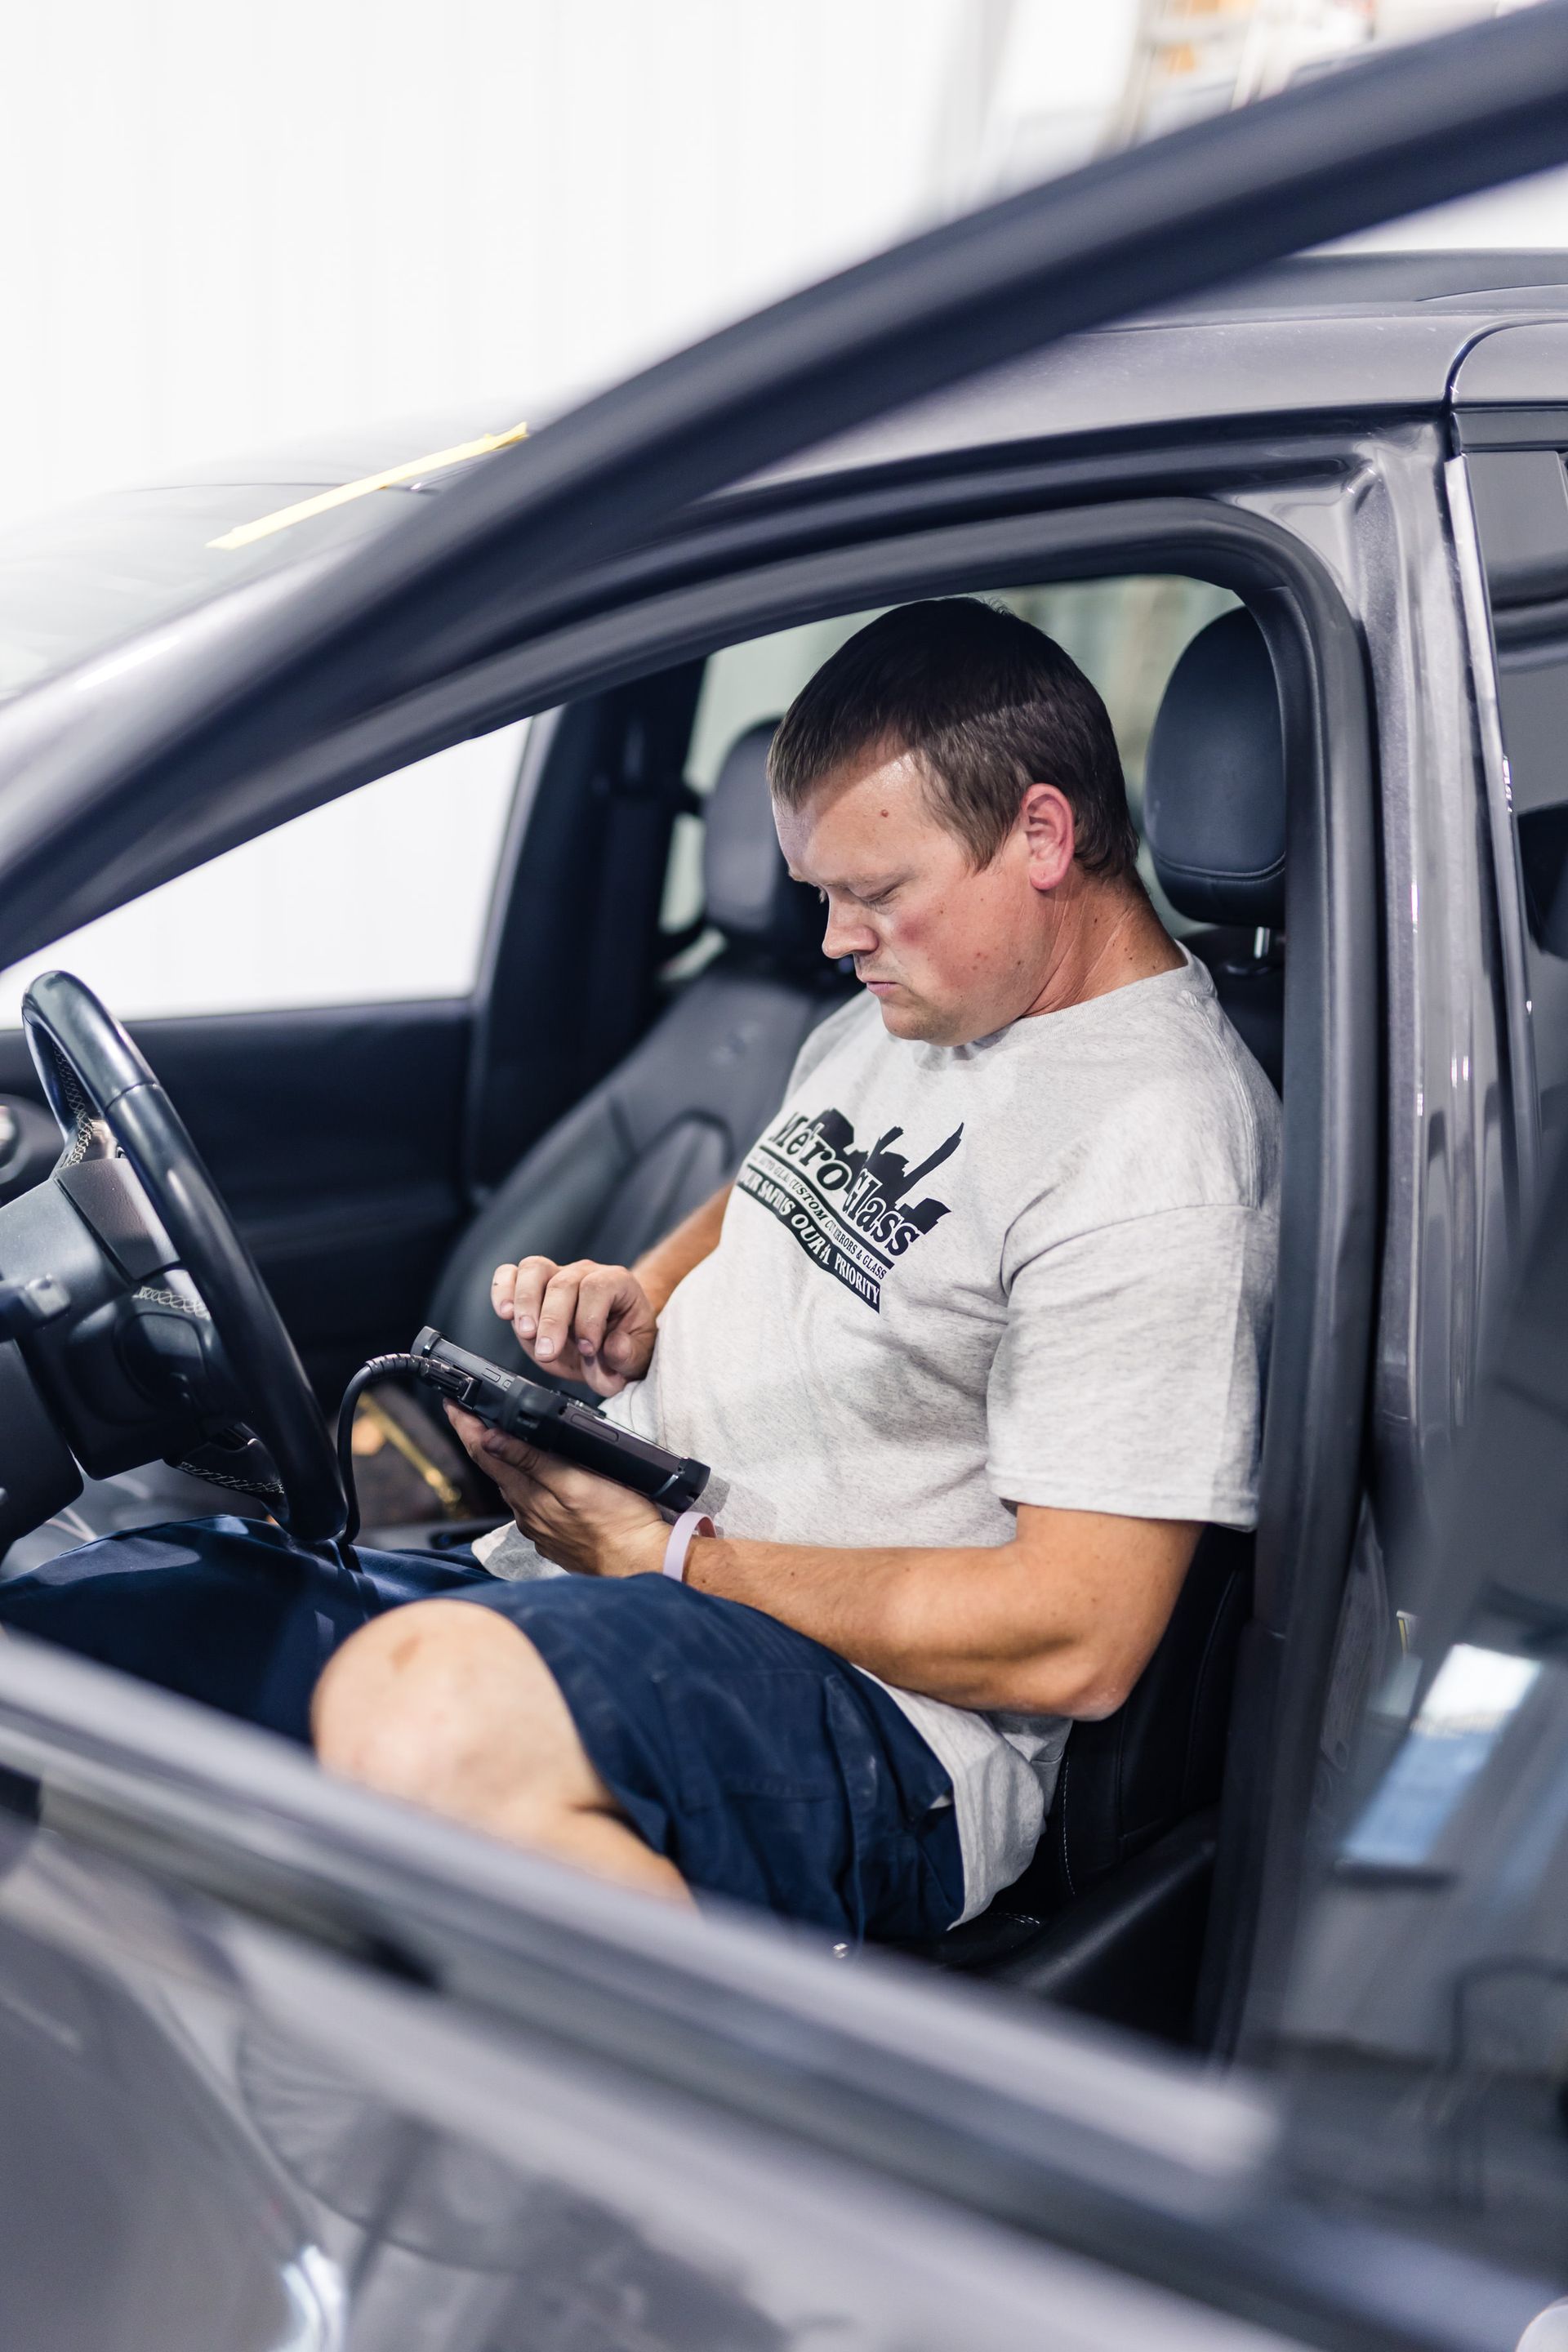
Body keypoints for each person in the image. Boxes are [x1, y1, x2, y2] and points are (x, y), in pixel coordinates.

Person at [0, 599, 1281, 1945]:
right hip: (618, 1584)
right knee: (109, 1623)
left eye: (874, 894)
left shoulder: (1156, 1145)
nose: (836, 941)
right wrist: (643, 1295)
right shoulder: (929, 1002)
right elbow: (788, 1183)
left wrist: (675, 1556)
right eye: (823, 895)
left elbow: (1078, 1633)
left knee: (426, 1709)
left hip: (874, 1723)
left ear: (1039, 834)